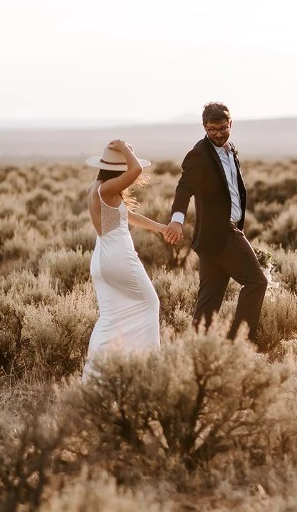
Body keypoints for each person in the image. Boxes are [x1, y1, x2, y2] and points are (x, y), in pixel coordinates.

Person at [163, 102, 267, 342]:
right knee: (257, 282)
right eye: (212, 130)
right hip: (222, 233)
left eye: (222, 128)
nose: (218, 134)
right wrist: (177, 220)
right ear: (204, 127)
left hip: (211, 239)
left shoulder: (231, 151)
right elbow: (184, 188)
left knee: (209, 302)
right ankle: (238, 344)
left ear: (230, 124)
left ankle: (198, 351)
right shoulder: (198, 154)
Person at [82, 140, 166, 380]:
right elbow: (136, 170)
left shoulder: (96, 188)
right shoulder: (106, 189)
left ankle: (95, 376)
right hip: (119, 256)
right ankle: (147, 372)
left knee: (111, 318)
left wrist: (162, 228)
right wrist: (124, 147)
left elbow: (128, 216)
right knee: (150, 304)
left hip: (102, 258)